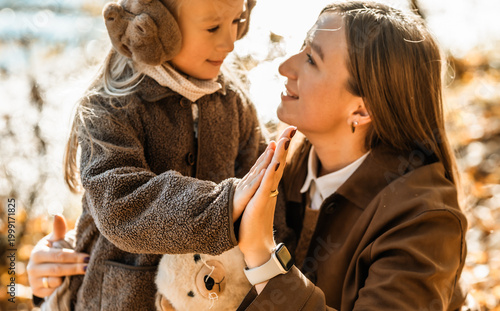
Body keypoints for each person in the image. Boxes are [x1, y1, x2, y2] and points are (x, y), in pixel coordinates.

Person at [26, 0, 296, 309]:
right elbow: (120, 204)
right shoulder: (109, 108)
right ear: (155, 28)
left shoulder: (235, 105)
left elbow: (271, 215)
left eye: (237, 21)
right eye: (213, 27)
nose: (231, 42)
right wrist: (224, 203)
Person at [234, 1, 468, 310]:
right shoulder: (275, 165)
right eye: (302, 46)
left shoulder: (425, 220)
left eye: (311, 60)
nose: (284, 67)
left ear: (362, 109)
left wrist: (263, 258)